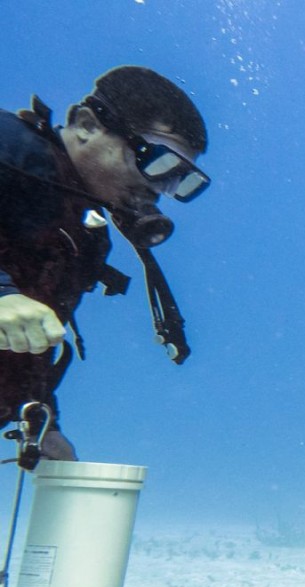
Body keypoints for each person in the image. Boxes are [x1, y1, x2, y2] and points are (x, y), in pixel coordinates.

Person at [0, 66, 210, 459]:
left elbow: (35, 335)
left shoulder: (87, 232)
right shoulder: (9, 149)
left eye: (178, 179)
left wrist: (43, 422)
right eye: (156, 161)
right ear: (86, 125)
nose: (158, 188)